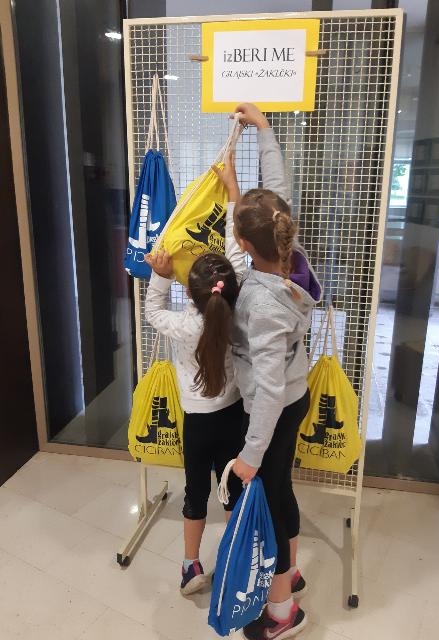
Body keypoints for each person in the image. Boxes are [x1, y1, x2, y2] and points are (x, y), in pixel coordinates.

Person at [219, 104, 322, 640]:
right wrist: (263, 130)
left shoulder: (260, 304)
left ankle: (282, 614)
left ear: (243, 245)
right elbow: (277, 193)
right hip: (294, 396)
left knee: (271, 503)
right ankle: (292, 573)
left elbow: (267, 388)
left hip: (274, 409)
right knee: (281, 489)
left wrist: (250, 455)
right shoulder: (290, 255)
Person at [144, 152, 246, 596]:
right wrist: (233, 190)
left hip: (197, 422)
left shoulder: (185, 325)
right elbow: (237, 256)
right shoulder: (242, 313)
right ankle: (237, 562)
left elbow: (152, 311)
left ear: (190, 290)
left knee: (195, 493)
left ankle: (191, 566)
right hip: (235, 414)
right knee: (235, 491)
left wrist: (162, 275)